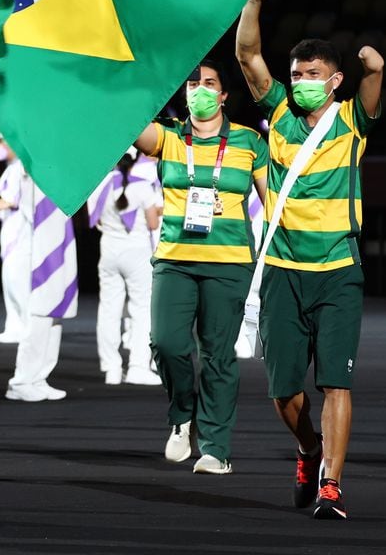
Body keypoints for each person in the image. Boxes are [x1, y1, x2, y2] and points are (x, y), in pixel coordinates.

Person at [236, 0, 384, 520]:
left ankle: (332, 485)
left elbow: (375, 75)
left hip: (339, 270)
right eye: (296, 73)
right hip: (281, 269)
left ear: (334, 80)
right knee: (283, 393)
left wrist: (373, 61)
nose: (299, 81)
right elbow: (248, 55)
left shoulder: (353, 121)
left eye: (311, 74)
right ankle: (308, 449)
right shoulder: (277, 112)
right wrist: (253, 2)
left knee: (336, 383)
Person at [134, 60, 269, 475]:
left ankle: (215, 449)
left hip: (229, 263)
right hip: (174, 259)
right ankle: (181, 416)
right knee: (167, 344)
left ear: (224, 95)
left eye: (210, 83)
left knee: (217, 356)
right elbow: (131, 126)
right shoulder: (168, 136)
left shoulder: (248, 142)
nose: (200, 90)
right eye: (193, 83)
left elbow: (274, 203)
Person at [88, 148, 162, 386]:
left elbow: (95, 219)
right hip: (137, 251)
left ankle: (111, 368)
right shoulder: (141, 187)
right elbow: (153, 224)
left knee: (109, 309)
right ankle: (138, 367)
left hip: (108, 250)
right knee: (141, 309)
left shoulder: (101, 185)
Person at [4, 176, 78, 402]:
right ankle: (22, 381)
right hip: (36, 253)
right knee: (39, 314)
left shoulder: (54, 177)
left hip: (54, 244)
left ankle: (39, 377)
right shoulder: (36, 175)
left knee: (54, 314)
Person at [0, 135, 28, 344]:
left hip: (20, 231)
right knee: (10, 281)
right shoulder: (11, 168)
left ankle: (25, 327)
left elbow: (11, 200)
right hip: (10, 229)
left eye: (0, 143)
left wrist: (3, 203)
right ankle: (13, 326)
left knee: (18, 280)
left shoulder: (21, 167)